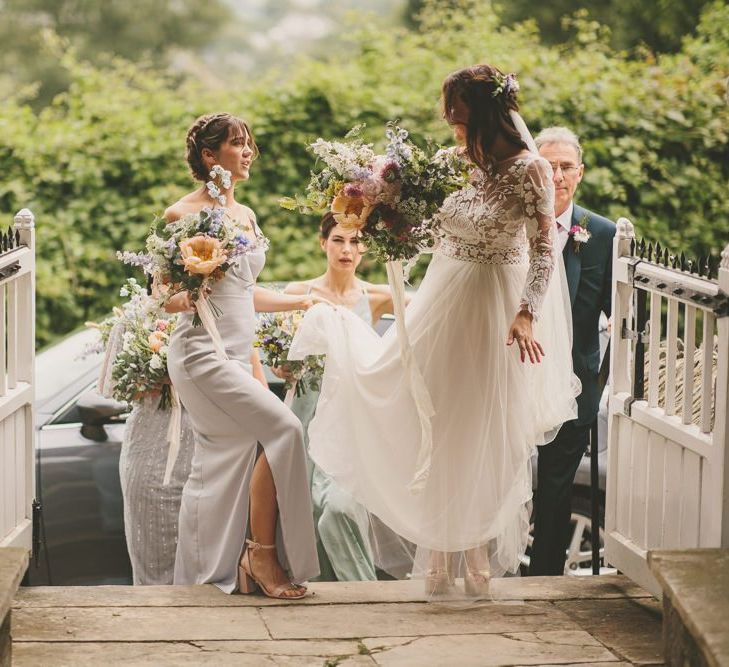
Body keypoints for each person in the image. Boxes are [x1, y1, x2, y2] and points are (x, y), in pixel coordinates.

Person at [289, 65, 580, 597]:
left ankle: (476, 550)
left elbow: (544, 250)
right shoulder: (448, 164)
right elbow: (423, 229)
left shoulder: (530, 170)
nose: (448, 119)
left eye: (456, 109)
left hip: (497, 305)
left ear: (482, 111)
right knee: (434, 420)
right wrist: (380, 209)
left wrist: (526, 311)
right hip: (445, 299)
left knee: (483, 431)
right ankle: (441, 555)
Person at [164, 112, 319, 597]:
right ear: (209, 156)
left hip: (235, 353)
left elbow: (246, 293)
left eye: (250, 143)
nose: (248, 151)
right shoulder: (181, 214)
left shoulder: (246, 215)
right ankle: (265, 556)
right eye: (237, 143)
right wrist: (193, 287)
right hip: (200, 352)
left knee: (225, 460)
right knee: (286, 428)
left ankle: (212, 573)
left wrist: (302, 300)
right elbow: (162, 296)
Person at [282, 213, 400, 581]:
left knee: (339, 507)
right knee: (308, 510)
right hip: (306, 410)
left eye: (356, 241)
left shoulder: (377, 296)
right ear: (323, 243)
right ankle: (319, 594)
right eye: (338, 240)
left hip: (353, 416)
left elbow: (432, 316)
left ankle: (363, 592)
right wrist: (285, 364)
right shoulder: (296, 294)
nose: (347, 250)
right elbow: (281, 355)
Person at [529, 126, 615, 576]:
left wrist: (598, 382)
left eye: (565, 167)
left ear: (579, 174)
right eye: (548, 166)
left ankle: (541, 584)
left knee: (557, 493)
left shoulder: (600, 233)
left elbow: (622, 320)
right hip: (515, 381)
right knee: (503, 482)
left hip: (573, 388)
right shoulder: (515, 225)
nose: (557, 175)